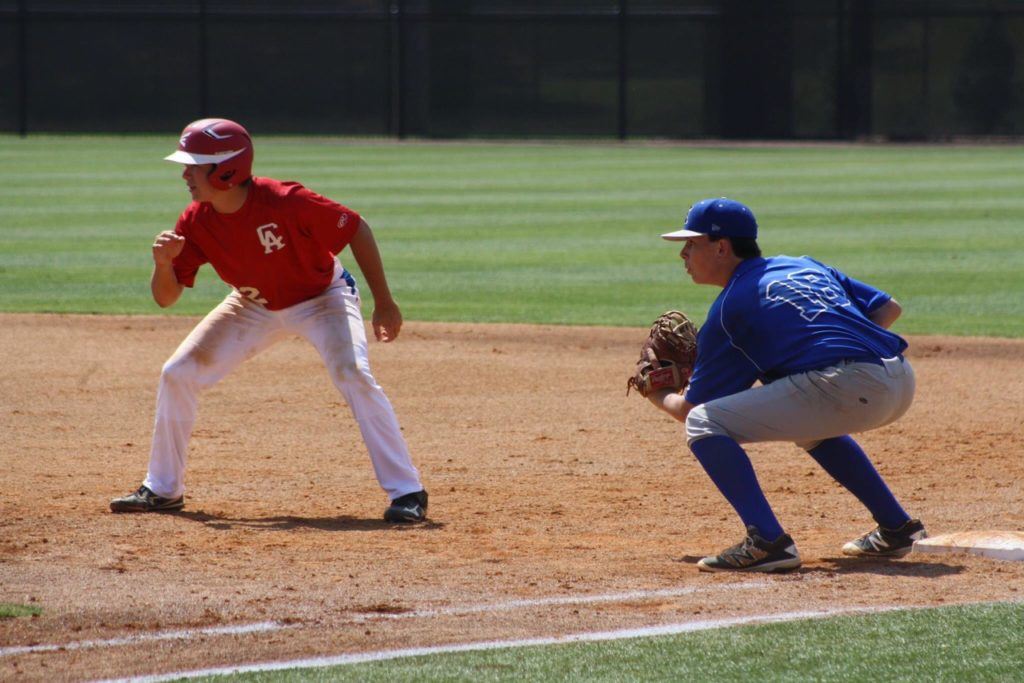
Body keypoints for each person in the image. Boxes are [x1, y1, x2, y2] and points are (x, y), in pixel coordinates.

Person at [110, 118, 428, 523]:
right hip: (253, 304)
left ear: (227, 170)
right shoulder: (196, 220)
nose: (186, 173)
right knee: (178, 372)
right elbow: (166, 298)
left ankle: (408, 492)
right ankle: (162, 489)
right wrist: (162, 265)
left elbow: (355, 228)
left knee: (353, 373)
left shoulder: (286, 200)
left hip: (323, 299)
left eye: (195, 164)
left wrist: (384, 302)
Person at [649, 197, 925, 572]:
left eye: (692, 243)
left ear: (721, 247)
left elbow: (693, 410)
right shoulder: (802, 266)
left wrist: (658, 393)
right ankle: (897, 529)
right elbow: (889, 308)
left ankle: (767, 542)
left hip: (848, 386)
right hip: (900, 376)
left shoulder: (730, 308)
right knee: (810, 417)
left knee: (704, 424)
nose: (683, 253)